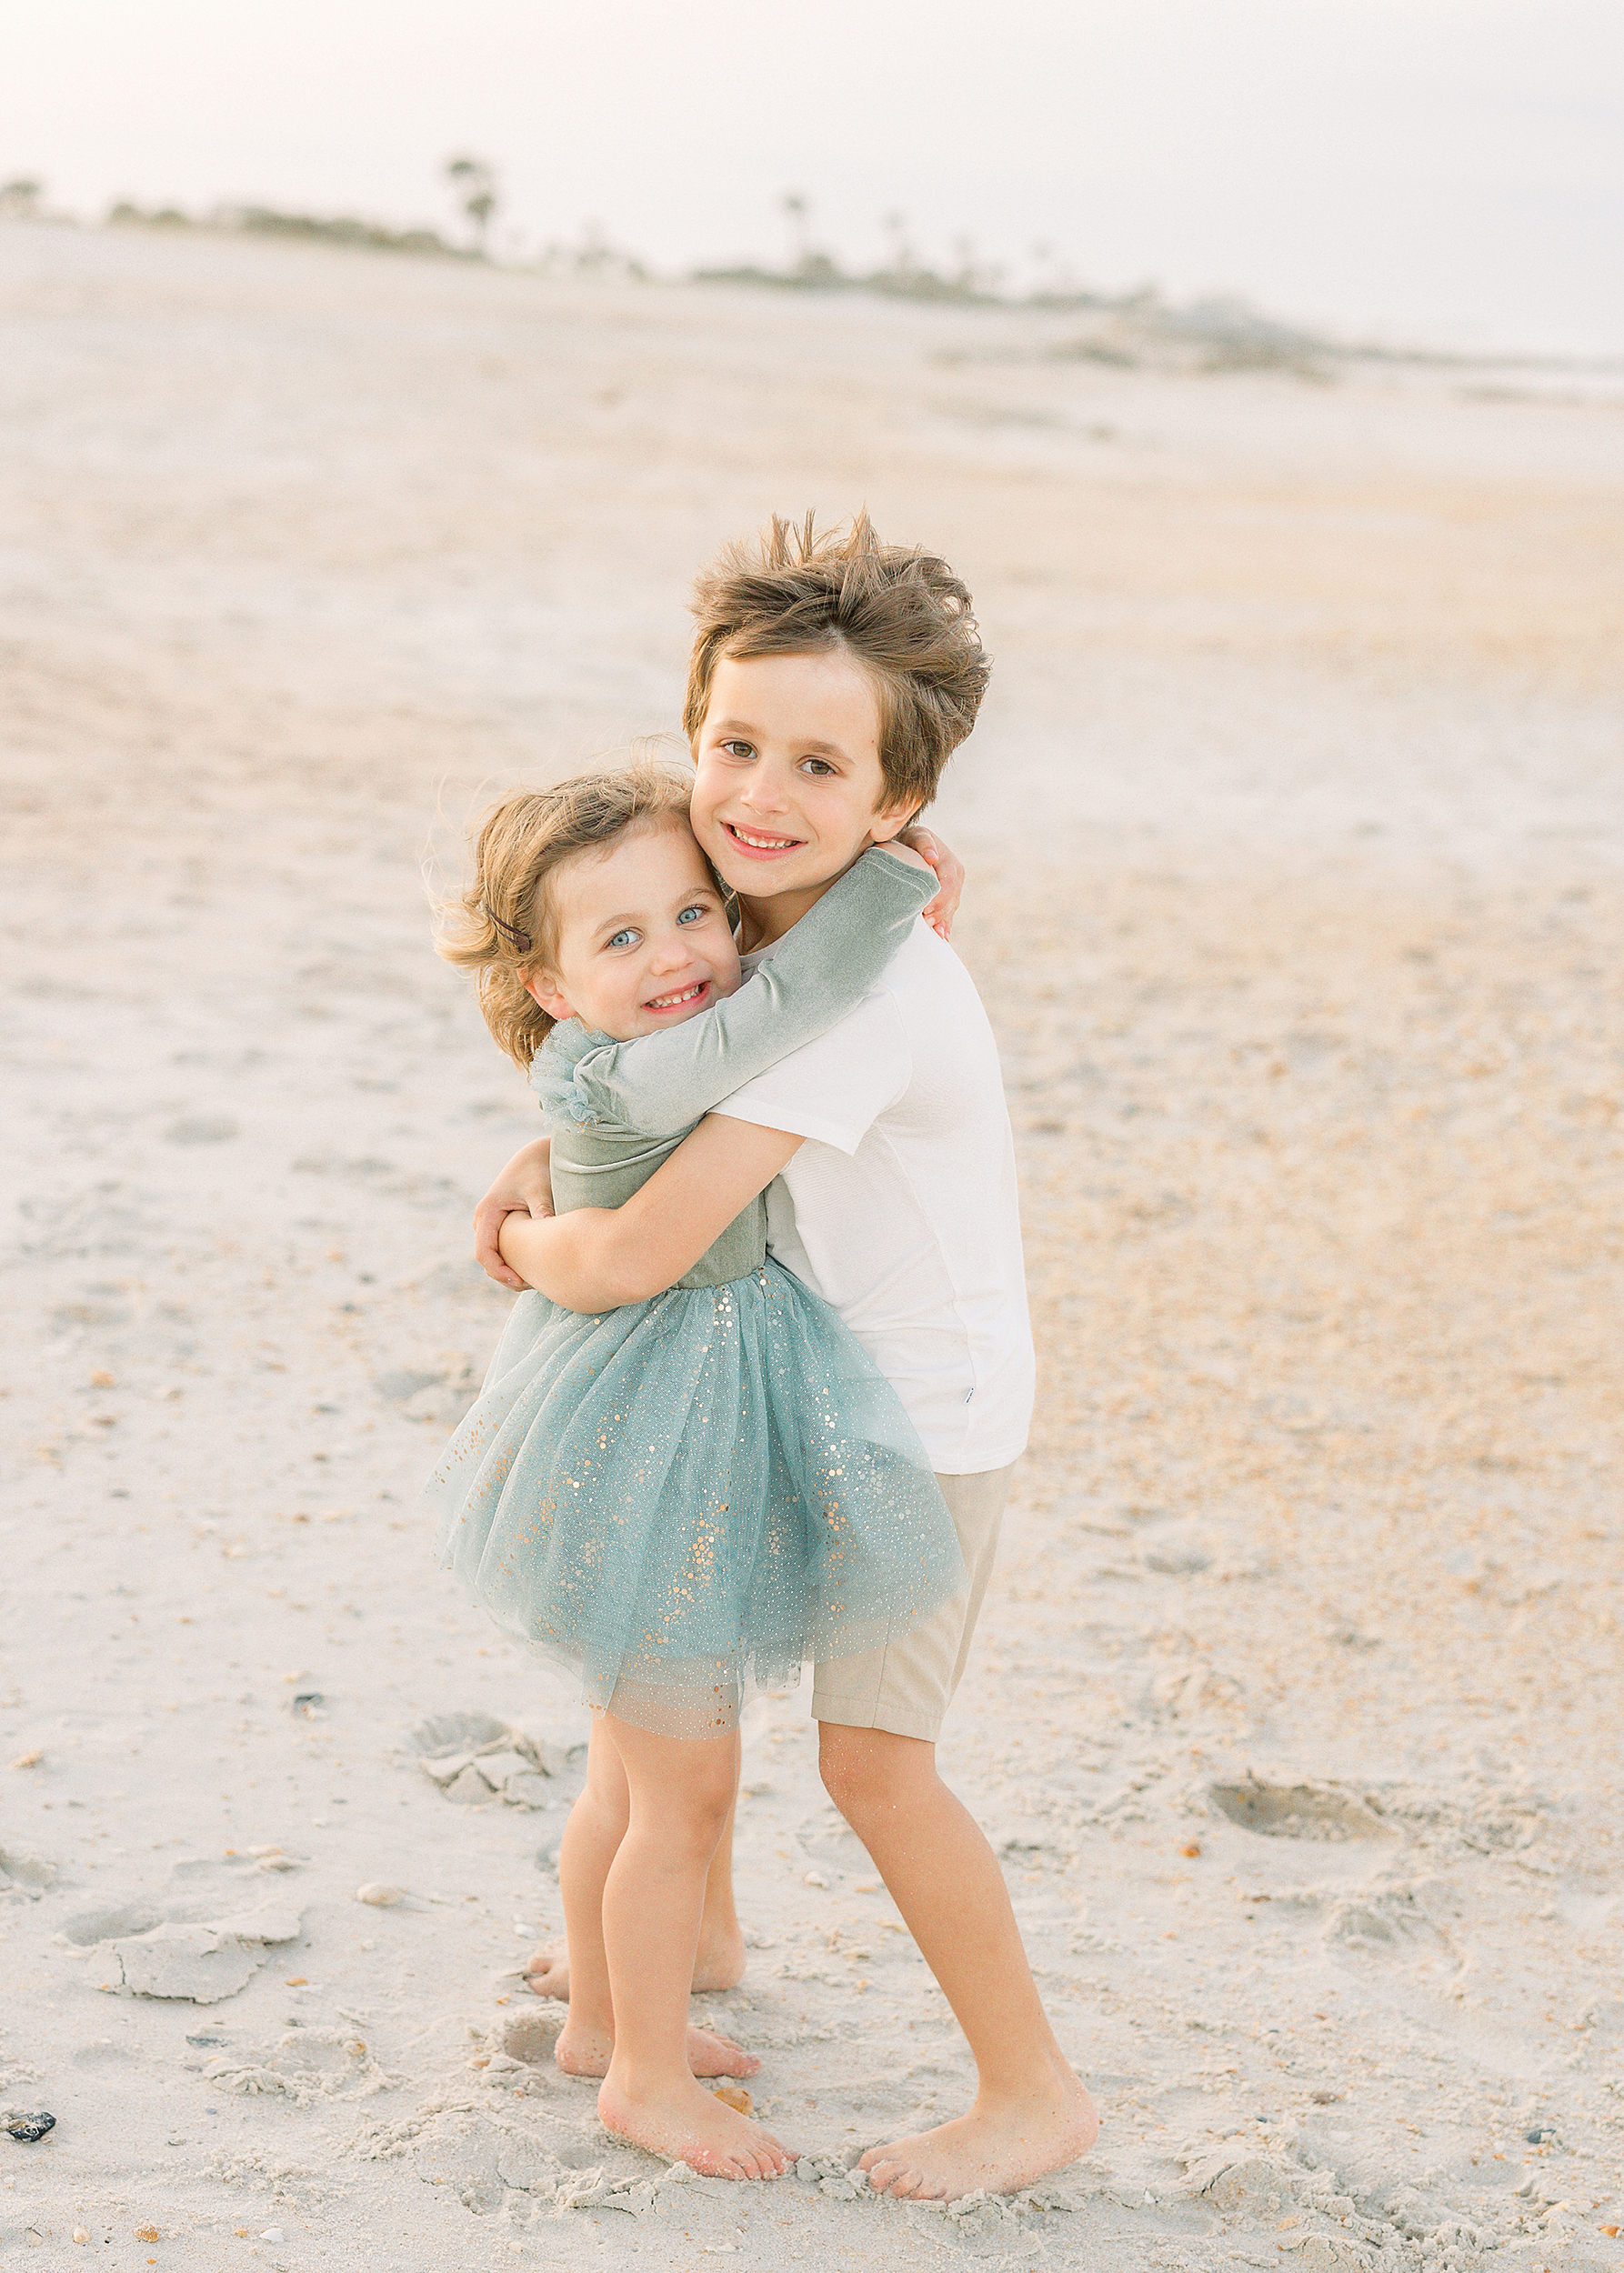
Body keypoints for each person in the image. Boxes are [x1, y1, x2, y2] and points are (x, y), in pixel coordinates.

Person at [480, 515, 1099, 2202]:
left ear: (897, 801)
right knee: (680, 1688)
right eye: (734, 745)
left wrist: (525, 1232)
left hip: (928, 1415)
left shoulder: (859, 995)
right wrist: (554, 1149)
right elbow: (632, 1054)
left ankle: (1029, 2089)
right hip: (817, 1385)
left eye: (819, 765)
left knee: (874, 1762)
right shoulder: (771, 920)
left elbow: (637, 1248)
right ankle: (679, 1955)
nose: (756, 792)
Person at [430, 758, 967, 2178]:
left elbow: (761, 988)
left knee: (626, 1766)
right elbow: (796, 1000)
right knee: (683, 1794)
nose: (676, 955)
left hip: (668, 1419)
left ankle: (607, 2022)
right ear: (549, 989)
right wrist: (897, 877)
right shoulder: (656, 1067)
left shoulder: (604, 1061)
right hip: (647, 1437)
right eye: (620, 940)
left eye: (692, 912)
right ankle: (646, 2079)